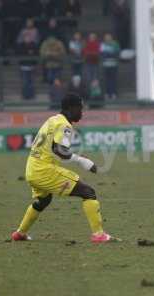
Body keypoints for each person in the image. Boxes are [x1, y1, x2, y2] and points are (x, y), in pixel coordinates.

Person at [11, 93, 119, 243]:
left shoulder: (52, 120)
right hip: (44, 170)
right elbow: (59, 150)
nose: (82, 113)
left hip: (31, 169)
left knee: (43, 200)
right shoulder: (65, 125)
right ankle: (99, 235)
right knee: (88, 192)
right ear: (70, 108)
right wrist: (82, 161)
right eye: (80, 109)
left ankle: (20, 233)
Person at [100, 33, 120, 100]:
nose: (107, 38)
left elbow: (117, 53)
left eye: (108, 37)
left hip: (113, 64)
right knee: (106, 80)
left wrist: (109, 53)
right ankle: (107, 94)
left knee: (113, 79)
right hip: (106, 65)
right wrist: (110, 53)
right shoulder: (103, 44)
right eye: (106, 37)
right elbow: (102, 54)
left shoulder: (115, 44)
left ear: (111, 37)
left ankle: (113, 93)